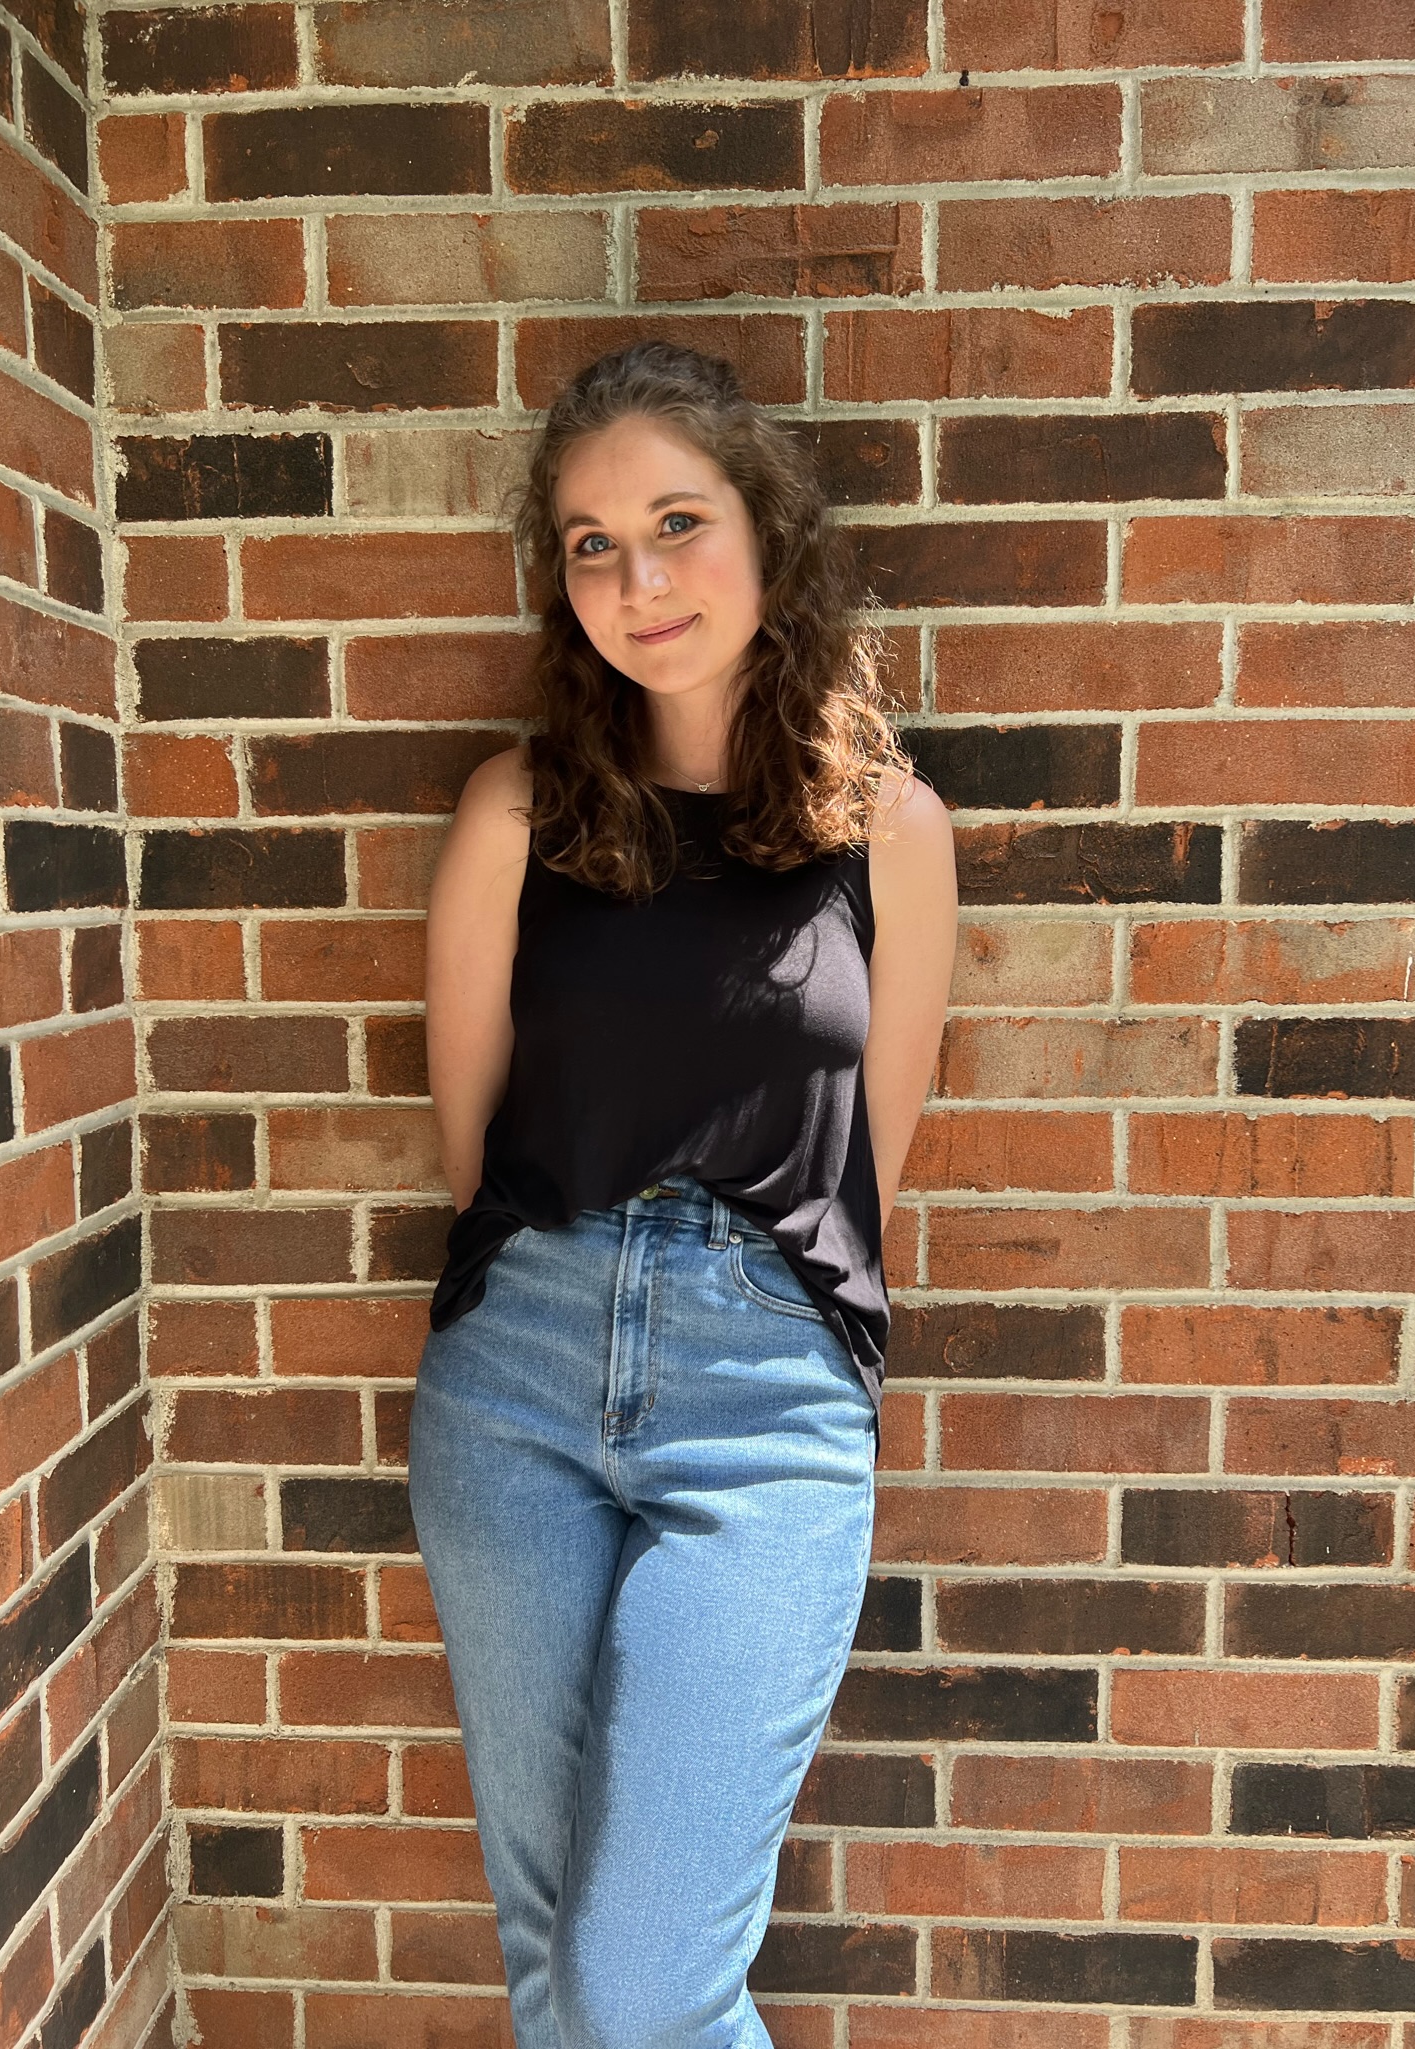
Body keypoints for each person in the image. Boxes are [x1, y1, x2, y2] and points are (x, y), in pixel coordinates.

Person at [407, 340, 958, 2049]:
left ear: (765, 531)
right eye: (591, 544)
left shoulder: (891, 831)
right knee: (554, 1960)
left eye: (675, 524)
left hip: (767, 1399)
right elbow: (471, 1146)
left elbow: (870, 1159)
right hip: (518, 1380)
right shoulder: (519, 813)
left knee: (647, 1982)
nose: (637, 582)